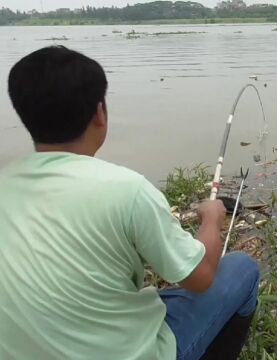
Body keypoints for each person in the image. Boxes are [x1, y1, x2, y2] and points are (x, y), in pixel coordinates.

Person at [0, 45, 259, 360]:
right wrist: (211, 217)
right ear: (100, 114)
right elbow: (201, 277)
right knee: (243, 269)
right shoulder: (127, 189)